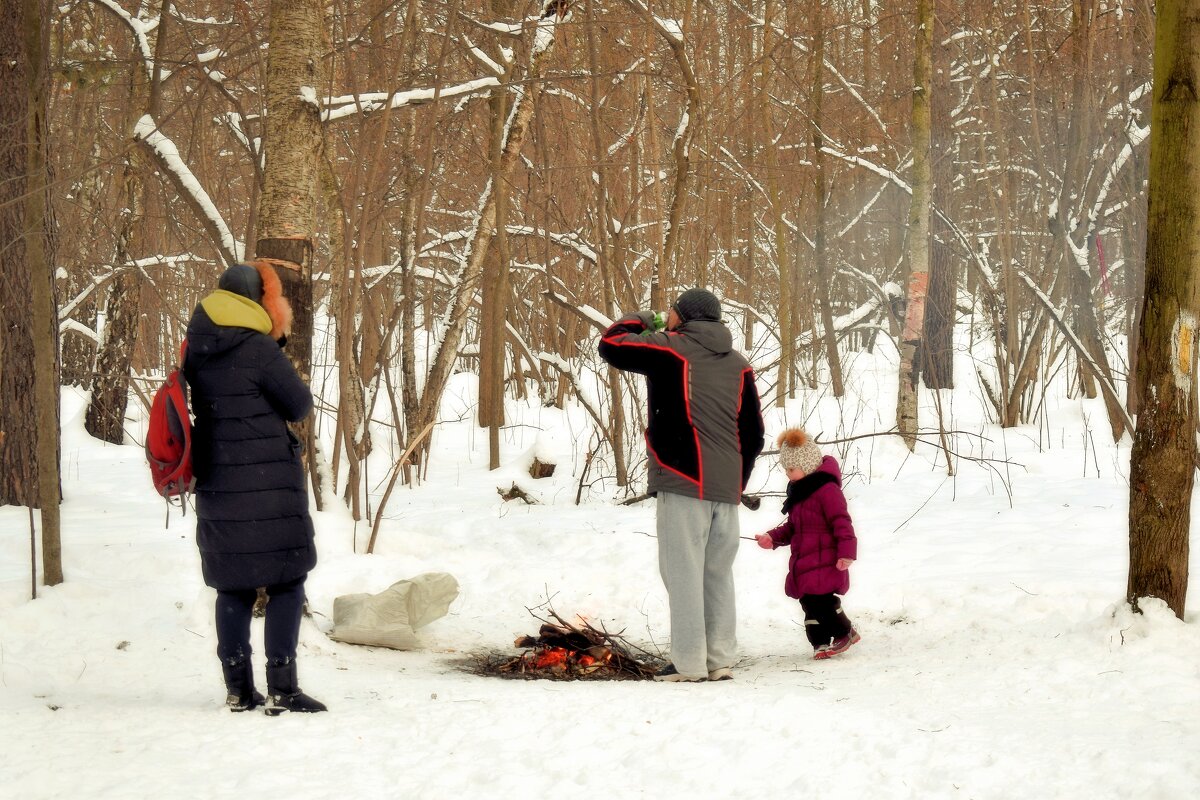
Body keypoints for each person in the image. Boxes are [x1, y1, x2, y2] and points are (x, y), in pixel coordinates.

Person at [598, 288, 764, 681]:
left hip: (684, 480)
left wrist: (646, 318)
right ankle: (720, 658)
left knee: (683, 572)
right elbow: (754, 432)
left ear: (681, 317)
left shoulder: (671, 347)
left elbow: (611, 343)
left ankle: (689, 664)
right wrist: (736, 481)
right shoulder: (739, 363)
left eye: (672, 311)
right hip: (726, 488)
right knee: (716, 573)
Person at [184, 261, 326, 714]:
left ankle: (238, 690)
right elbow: (298, 404)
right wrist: (275, 349)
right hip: (267, 483)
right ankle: (282, 688)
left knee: (233, 586)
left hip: (218, 482)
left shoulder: (197, 346)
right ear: (257, 302)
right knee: (287, 580)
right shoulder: (258, 348)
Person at [755, 428, 859, 659]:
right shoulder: (800, 494)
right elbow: (793, 527)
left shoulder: (827, 491)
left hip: (826, 559)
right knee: (809, 603)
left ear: (808, 465)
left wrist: (847, 552)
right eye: (786, 469)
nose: (787, 474)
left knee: (821, 600)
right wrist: (772, 537)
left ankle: (845, 631)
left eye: (791, 469)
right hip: (805, 560)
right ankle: (819, 643)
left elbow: (842, 521)